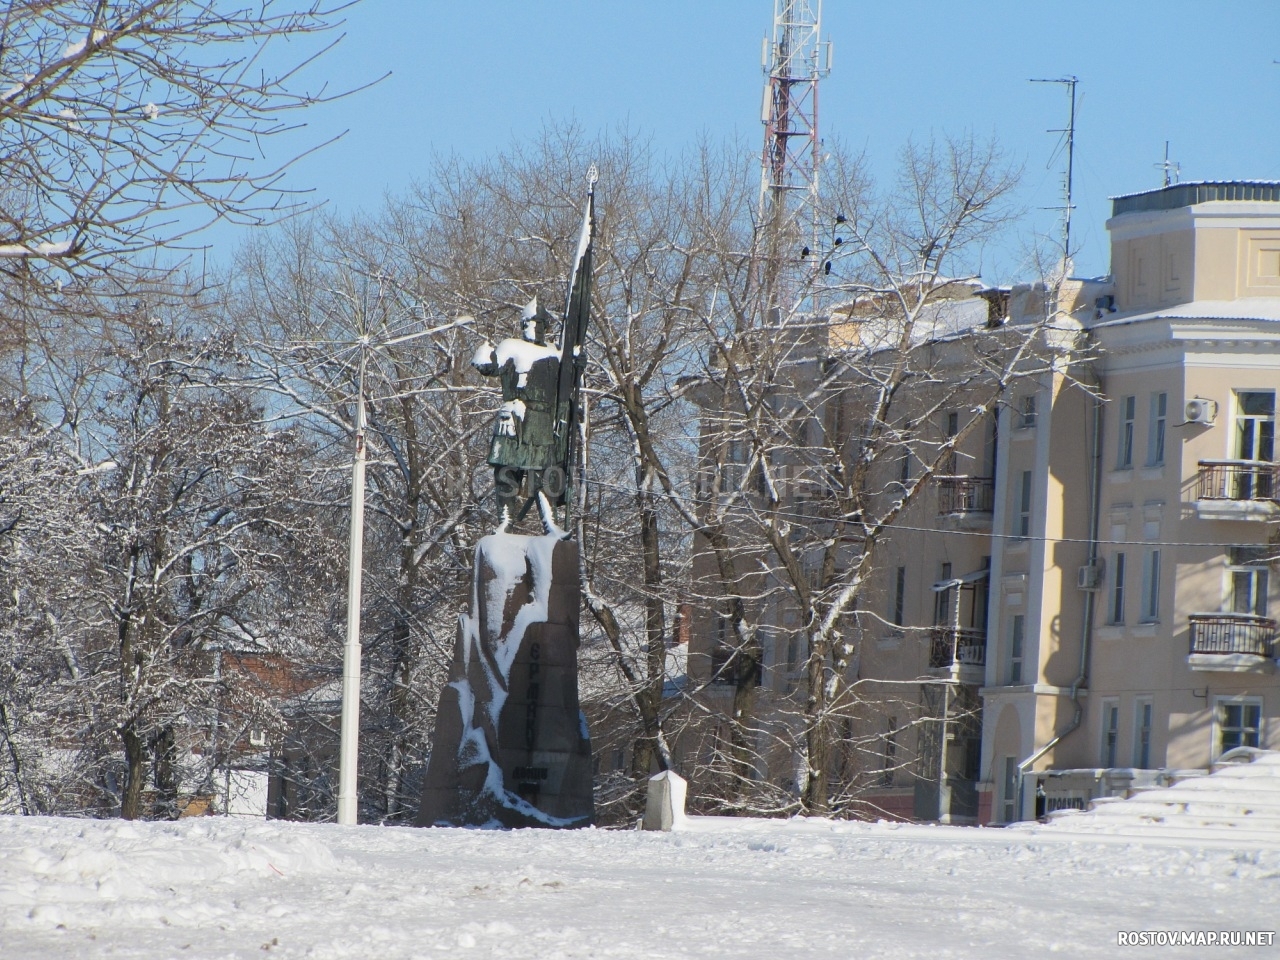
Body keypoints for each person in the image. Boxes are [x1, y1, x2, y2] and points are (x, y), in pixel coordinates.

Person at [472, 298, 567, 520]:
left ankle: (549, 521)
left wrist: (575, 362)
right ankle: (505, 520)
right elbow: (493, 367)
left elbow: (565, 385)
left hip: (543, 421)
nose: (535, 328)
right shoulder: (511, 346)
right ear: (523, 325)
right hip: (516, 416)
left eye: (540, 324)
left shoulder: (556, 353)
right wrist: (484, 358)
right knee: (507, 470)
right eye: (530, 323)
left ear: (546, 326)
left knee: (545, 474)